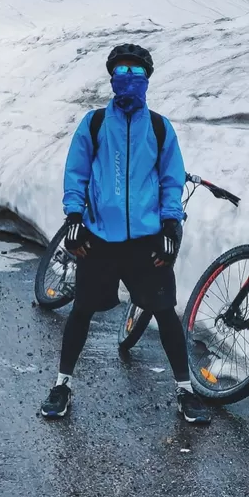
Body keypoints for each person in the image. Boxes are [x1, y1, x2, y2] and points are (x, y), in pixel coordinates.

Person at [38, 43, 211, 424]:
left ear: (146, 80)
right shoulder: (95, 123)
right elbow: (77, 173)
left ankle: (185, 391)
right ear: (112, 79)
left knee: (165, 313)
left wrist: (171, 225)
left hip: (147, 241)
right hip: (99, 237)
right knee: (81, 310)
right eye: (121, 74)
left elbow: (171, 180)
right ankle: (62, 384)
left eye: (135, 74)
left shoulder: (160, 127)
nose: (127, 80)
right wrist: (74, 218)